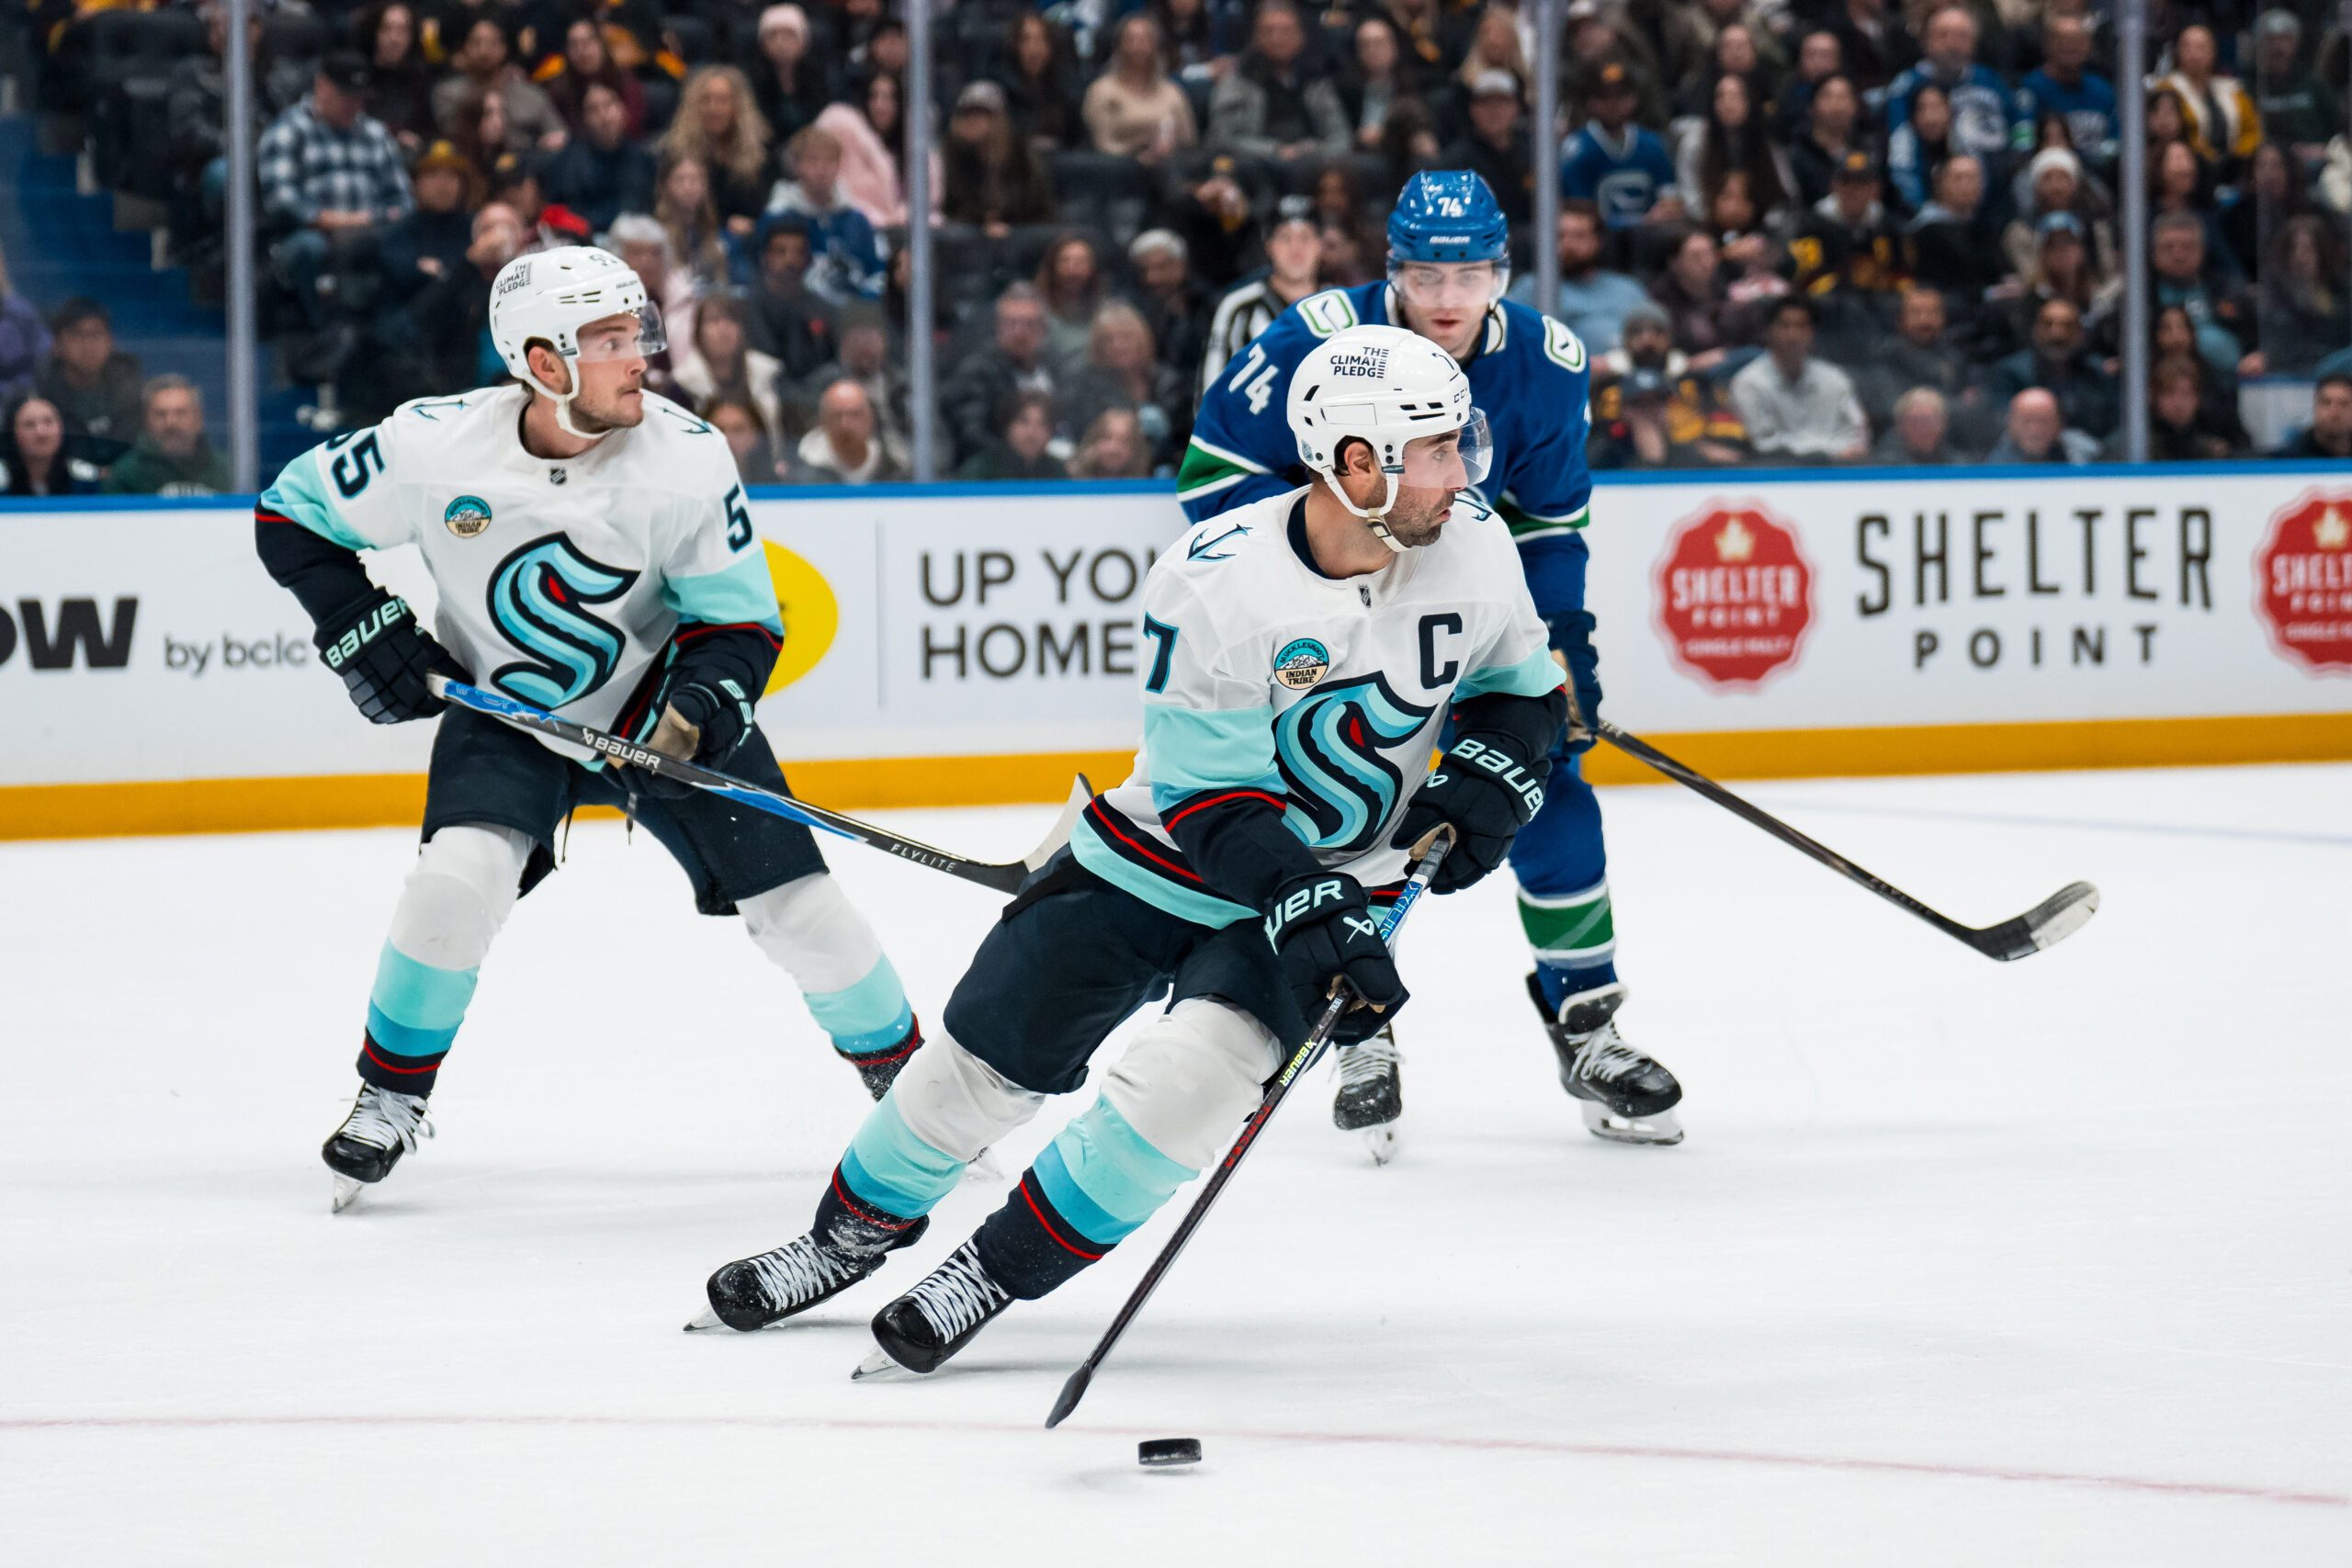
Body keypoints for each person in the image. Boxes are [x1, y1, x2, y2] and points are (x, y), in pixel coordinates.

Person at [695, 326, 1576, 1371]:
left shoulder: (1470, 540)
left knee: (1186, 1093)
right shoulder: (1215, 580)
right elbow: (1214, 805)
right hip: (1160, 858)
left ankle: (990, 1271)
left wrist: (1498, 777)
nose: (1462, 470)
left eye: (1456, 441)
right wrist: (1307, 902)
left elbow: (1519, 692)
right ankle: (844, 1240)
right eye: (1432, 449)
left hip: (1345, 879)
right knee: (972, 1070)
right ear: (1355, 463)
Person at [253, 246, 920, 1211]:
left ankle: (911, 1084)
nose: (640, 357)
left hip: (658, 708)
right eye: (610, 340)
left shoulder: (684, 457)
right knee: (455, 881)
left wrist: (699, 706)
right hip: (509, 715)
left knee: (804, 912)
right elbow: (291, 513)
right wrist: (365, 629)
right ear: (543, 362)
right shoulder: (433, 447)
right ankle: (391, 1095)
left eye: (637, 332)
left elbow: (741, 624)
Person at [1179, 171, 1685, 1150]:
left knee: (1549, 785)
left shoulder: (1545, 360)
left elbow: (1549, 520)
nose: (1446, 299)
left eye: (1470, 274)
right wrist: (1316, 580)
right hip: (1339, 609)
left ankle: (1587, 1020)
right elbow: (1213, 473)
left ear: (1503, 271)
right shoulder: (1313, 337)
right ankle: (1358, 1026)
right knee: (1351, 802)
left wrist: (1565, 638)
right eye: (1422, 273)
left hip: (1475, 605)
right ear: (1389, 271)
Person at [257, 53, 416, 339]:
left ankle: (386, 336)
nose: (353, 105)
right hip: (312, 234)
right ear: (322, 86)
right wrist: (329, 220)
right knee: (309, 248)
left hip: (371, 233)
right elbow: (281, 198)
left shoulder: (375, 133)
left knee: (403, 249)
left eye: (359, 97)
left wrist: (370, 222)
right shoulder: (289, 130)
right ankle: (325, 334)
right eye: (346, 95)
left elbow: (402, 200)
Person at [1729, 296, 1868, 464]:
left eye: (1801, 326)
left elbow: (1856, 432)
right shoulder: (1748, 383)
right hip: (1777, 474)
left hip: (1838, 471)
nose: (1793, 335)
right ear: (1769, 331)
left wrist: (1836, 454)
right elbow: (1762, 443)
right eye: (1784, 326)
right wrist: (1820, 455)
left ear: (1812, 332)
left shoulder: (1834, 378)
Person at [1883, 6, 2026, 169]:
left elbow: (2021, 118)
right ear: (1926, 41)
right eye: (1943, 35)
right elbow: (1900, 150)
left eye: (1962, 36)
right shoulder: (1906, 86)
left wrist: (2020, 155)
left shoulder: (1992, 82)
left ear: (1974, 42)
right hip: (1935, 183)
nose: (1953, 45)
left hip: (1996, 182)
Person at [1206, 0, 1349, 163]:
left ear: (1300, 36)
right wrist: (1275, 151)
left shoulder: (1315, 79)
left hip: (1312, 165)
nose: (1277, 39)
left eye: (1285, 31)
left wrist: (1315, 151)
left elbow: (1340, 137)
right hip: (1259, 165)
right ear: (1256, 37)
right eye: (1268, 31)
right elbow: (1222, 139)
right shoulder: (1238, 79)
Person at [1202, 205, 1324, 390]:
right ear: (1269, 246)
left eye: (1305, 237)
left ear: (1319, 245)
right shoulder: (1238, 306)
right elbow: (1211, 386)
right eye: (1285, 238)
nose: (1296, 248)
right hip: (1251, 417)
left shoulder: (1342, 305)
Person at [763, 127, 887, 304]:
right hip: (799, 314)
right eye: (813, 161)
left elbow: (876, 272)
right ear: (797, 166)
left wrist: (863, 304)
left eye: (830, 161)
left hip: (853, 316)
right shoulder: (778, 219)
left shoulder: (856, 220)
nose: (821, 169)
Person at [1510, 200, 1650, 355]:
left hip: (1628, 373)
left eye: (1579, 236)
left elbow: (1654, 336)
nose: (1568, 245)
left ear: (1598, 241)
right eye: (1560, 236)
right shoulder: (1531, 288)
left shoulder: (1628, 289)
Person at [943, 286, 1058, 464]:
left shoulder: (1055, 369)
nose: (1020, 332)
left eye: (1030, 324)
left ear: (1043, 328)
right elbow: (972, 434)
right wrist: (1019, 458)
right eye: (1012, 323)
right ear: (998, 327)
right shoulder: (977, 373)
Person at [1558, 62, 1679, 231]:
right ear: (1591, 102)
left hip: (1649, 239)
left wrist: (1665, 211)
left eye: (1621, 97)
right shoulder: (1578, 148)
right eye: (1605, 98)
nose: (1613, 105)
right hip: (1599, 241)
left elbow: (1670, 198)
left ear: (1633, 100)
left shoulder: (1652, 144)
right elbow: (1578, 207)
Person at [1982, 297, 2119, 441]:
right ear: (2035, 330)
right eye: (2048, 324)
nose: (2057, 334)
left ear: (2081, 333)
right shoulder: (2010, 373)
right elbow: (2003, 422)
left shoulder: (2098, 373)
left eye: (2067, 325)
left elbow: (2115, 424)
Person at [538, 82, 657, 236]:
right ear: (584, 118)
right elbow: (561, 211)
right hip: (582, 242)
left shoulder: (641, 159)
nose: (604, 116)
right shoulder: (569, 160)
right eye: (593, 110)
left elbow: (641, 208)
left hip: (631, 239)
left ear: (623, 109)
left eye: (609, 105)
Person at [942, 81, 1057, 235]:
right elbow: (949, 206)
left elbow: (1038, 206)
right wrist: (981, 220)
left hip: (1019, 234)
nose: (974, 120)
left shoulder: (1020, 154)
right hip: (966, 236)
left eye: (983, 114)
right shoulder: (949, 154)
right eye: (968, 113)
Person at [1083, 12, 1198, 164]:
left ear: (1156, 46)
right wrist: (1138, 158)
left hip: (1167, 164)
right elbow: (1101, 143)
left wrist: (1169, 147)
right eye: (1131, 39)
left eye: (1145, 39)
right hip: (1118, 167)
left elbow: (1189, 141)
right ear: (1119, 46)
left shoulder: (1172, 92)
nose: (1137, 46)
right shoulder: (1101, 90)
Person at [2157, 25, 2261, 182]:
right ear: (2178, 52)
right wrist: (2208, 159)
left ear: (2213, 51)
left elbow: (2252, 130)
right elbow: (2183, 131)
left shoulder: (2231, 88)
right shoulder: (2168, 89)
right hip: (2190, 171)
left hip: (2233, 170)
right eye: (2187, 47)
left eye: (2200, 47)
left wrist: (2237, 157)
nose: (2194, 54)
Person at [34, 299, 143, 446]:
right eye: (77, 335)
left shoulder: (133, 389)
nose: (88, 345)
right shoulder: (41, 395)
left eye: (96, 334)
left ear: (110, 341)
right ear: (57, 345)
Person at [746, 216, 838, 388]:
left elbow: (831, 357)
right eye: (781, 252)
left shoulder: (821, 307)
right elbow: (762, 358)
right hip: (767, 387)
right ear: (765, 258)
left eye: (799, 252)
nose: (791, 260)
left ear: (809, 260)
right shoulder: (752, 305)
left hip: (815, 391)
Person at [2018, 11, 2119, 170]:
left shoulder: (2103, 90)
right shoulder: (2031, 88)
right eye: (2063, 41)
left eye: (2078, 41)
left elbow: (2116, 143)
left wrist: (2094, 156)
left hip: (2097, 175)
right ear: (2048, 45)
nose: (2071, 47)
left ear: (2089, 45)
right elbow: (2022, 143)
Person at [102, 377, 233, 495]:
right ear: (146, 420)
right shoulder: (125, 474)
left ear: (198, 418)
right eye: (161, 414)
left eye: (181, 413)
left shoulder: (223, 470)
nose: (171, 423)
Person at [1441, 71, 1534, 231]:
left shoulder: (1532, 155)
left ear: (1517, 108)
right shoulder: (1456, 160)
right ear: (1472, 109)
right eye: (1485, 103)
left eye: (1503, 102)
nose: (1494, 111)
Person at [2251, 11, 2342, 166]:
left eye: (2284, 39)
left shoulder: (2313, 84)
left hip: (2316, 163)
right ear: (2259, 44)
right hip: (2269, 166)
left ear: (2295, 43)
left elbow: (2339, 128)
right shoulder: (2250, 85)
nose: (2277, 47)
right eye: (2270, 39)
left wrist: (2325, 148)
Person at [1128, 230, 1212, 387]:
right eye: (1144, 270)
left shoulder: (1207, 306)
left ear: (1181, 264)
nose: (1151, 278)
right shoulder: (1134, 307)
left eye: (1161, 267)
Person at [786, 378, 908, 483]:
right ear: (823, 422)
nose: (845, 424)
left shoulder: (895, 470)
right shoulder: (799, 477)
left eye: (855, 415)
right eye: (837, 416)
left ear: (871, 420)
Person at [1, 395, 102, 495]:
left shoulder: (85, 478)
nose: (41, 433)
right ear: (12, 433)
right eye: (29, 425)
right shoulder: (2, 479)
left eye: (48, 422)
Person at [955, 389, 1065, 480]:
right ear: (1008, 425)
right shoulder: (981, 470)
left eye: (1042, 424)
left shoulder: (1057, 472)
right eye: (1024, 422)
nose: (1032, 432)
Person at [1988, 386, 2093, 465]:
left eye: (2043, 421)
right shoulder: (1988, 458)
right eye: (2026, 421)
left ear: (2059, 423)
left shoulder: (2085, 453)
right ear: (2010, 423)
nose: (2035, 430)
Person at [1871, 386, 1962, 464]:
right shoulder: (1884, 466)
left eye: (1927, 421)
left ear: (1942, 424)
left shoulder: (1958, 465)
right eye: (1915, 421)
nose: (1921, 428)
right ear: (1900, 425)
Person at [2276, 372, 2352, 459]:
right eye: (2326, 403)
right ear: (2315, 407)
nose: (2334, 413)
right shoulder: (2292, 457)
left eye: (2344, 404)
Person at [1067, 405, 1153, 478]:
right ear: (1093, 441)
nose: (1113, 448)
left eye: (1124, 441)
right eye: (1106, 438)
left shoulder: (1147, 493)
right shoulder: (1070, 485)